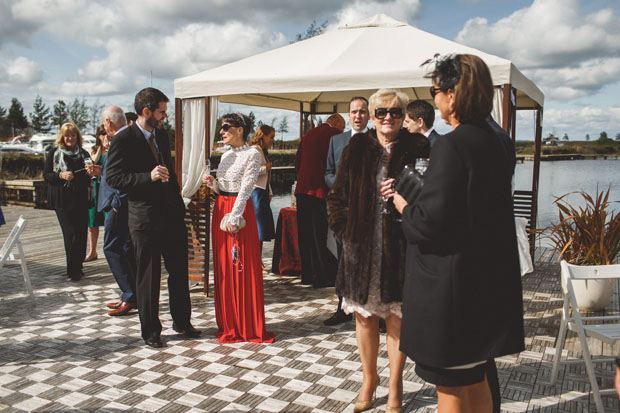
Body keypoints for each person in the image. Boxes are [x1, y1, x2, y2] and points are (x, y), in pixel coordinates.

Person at [392, 54, 525, 413]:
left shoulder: (453, 144)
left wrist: (404, 205)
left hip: (452, 287)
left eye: (435, 91)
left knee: (450, 387)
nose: (434, 100)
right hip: (486, 279)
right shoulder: (499, 139)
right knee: (476, 378)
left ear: (453, 95)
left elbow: (430, 223)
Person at [327, 89, 429, 412]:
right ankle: (369, 379)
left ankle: (396, 386)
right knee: (365, 318)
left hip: (400, 249)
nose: (388, 117)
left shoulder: (419, 147)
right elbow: (337, 197)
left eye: (396, 112)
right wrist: (345, 232)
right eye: (381, 112)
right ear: (371, 116)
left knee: (397, 320)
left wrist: (405, 190)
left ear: (404, 117)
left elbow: (431, 198)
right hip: (361, 250)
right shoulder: (356, 147)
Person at [106, 87, 200, 348]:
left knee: (179, 271)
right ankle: (151, 332)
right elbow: (113, 178)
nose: (164, 116)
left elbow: (169, 170)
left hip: (171, 214)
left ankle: (182, 322)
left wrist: (179, 200)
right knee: (148, 277)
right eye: (161, 112)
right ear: (146, 111)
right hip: (144, 218)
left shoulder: (162, 135)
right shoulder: (123, 139)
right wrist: (148, 176)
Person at [202, 113, 274, 344]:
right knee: (224, 266)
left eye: (226, 127)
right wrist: (212, 184)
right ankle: (229, 321)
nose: (221, 132)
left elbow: (247, 187)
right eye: (221, 128)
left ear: (240, 129)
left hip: (238, 211)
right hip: (221, 209)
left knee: (240, 266)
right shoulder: (225, 155)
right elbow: (223, 188)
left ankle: (246, 324)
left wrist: (235, 215)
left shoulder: (253, 153)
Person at [323, 96, 370, 327]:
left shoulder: (376, 140)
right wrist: (342, 185)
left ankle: (371, 311)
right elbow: (328, 172)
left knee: (368, 260)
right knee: (343, 260)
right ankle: (342, 309)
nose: (358, 116)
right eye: (354, 112)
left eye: (362, 112)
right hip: (344, 212)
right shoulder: (336, 141)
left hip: (369, 212)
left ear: (368, 115)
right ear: (348, 115)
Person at [295, 113, 345, 287]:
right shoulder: (334, 135)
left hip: (302, 189)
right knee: (319, 235)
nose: (343, 130)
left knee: (305, 235)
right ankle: (322, 276)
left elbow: (298, 161)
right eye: (343, 127)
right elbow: (336, 164)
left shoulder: (308, 134)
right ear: (336, 123)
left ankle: (307, 275)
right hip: (319, 190)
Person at [43, 122, 98, 281]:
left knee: (81, 233)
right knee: (71, 234)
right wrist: (60, 176)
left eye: (73, 135)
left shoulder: (84, 153)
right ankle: (72, 269)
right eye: (67, 135)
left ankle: (78, 265)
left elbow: (90, 174)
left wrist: (90, 172)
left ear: (77, 137)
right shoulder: (54, 153)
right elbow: (46, 176)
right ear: (62, 136)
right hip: (62, 200)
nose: (70, 138)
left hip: (81, 198)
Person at [98, 106, 137, 317]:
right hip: (116, 201)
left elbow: (127, 174)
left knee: (111, 247)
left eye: (104, 123)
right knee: (123, 247)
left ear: (108, 122)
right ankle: (130, 294)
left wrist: (117, 202)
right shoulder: (126, 138)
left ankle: (130, 295)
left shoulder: (122, 140)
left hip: (118, 202)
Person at [249, 124, 276, 270]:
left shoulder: (261, 151)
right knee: (258, 229)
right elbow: (250, 172)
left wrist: (269, 191)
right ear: (263, 136)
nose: (272, 140)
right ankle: (255, 261)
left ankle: (257, 260)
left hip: (263, 192)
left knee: (261, 229)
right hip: (256, 193)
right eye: (271, 137)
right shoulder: (254, 150)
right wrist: (267, 167)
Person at [85, 125, 108, 262]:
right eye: (101, 133)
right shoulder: (95, 149)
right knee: (92, 221)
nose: (104, 135)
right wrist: (101, 148)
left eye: (106, 133)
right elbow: (91, 162)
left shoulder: (114, 149)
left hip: (107, 189)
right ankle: (92, 251)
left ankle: (108, 249)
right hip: (95, 188)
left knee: (108, 220)